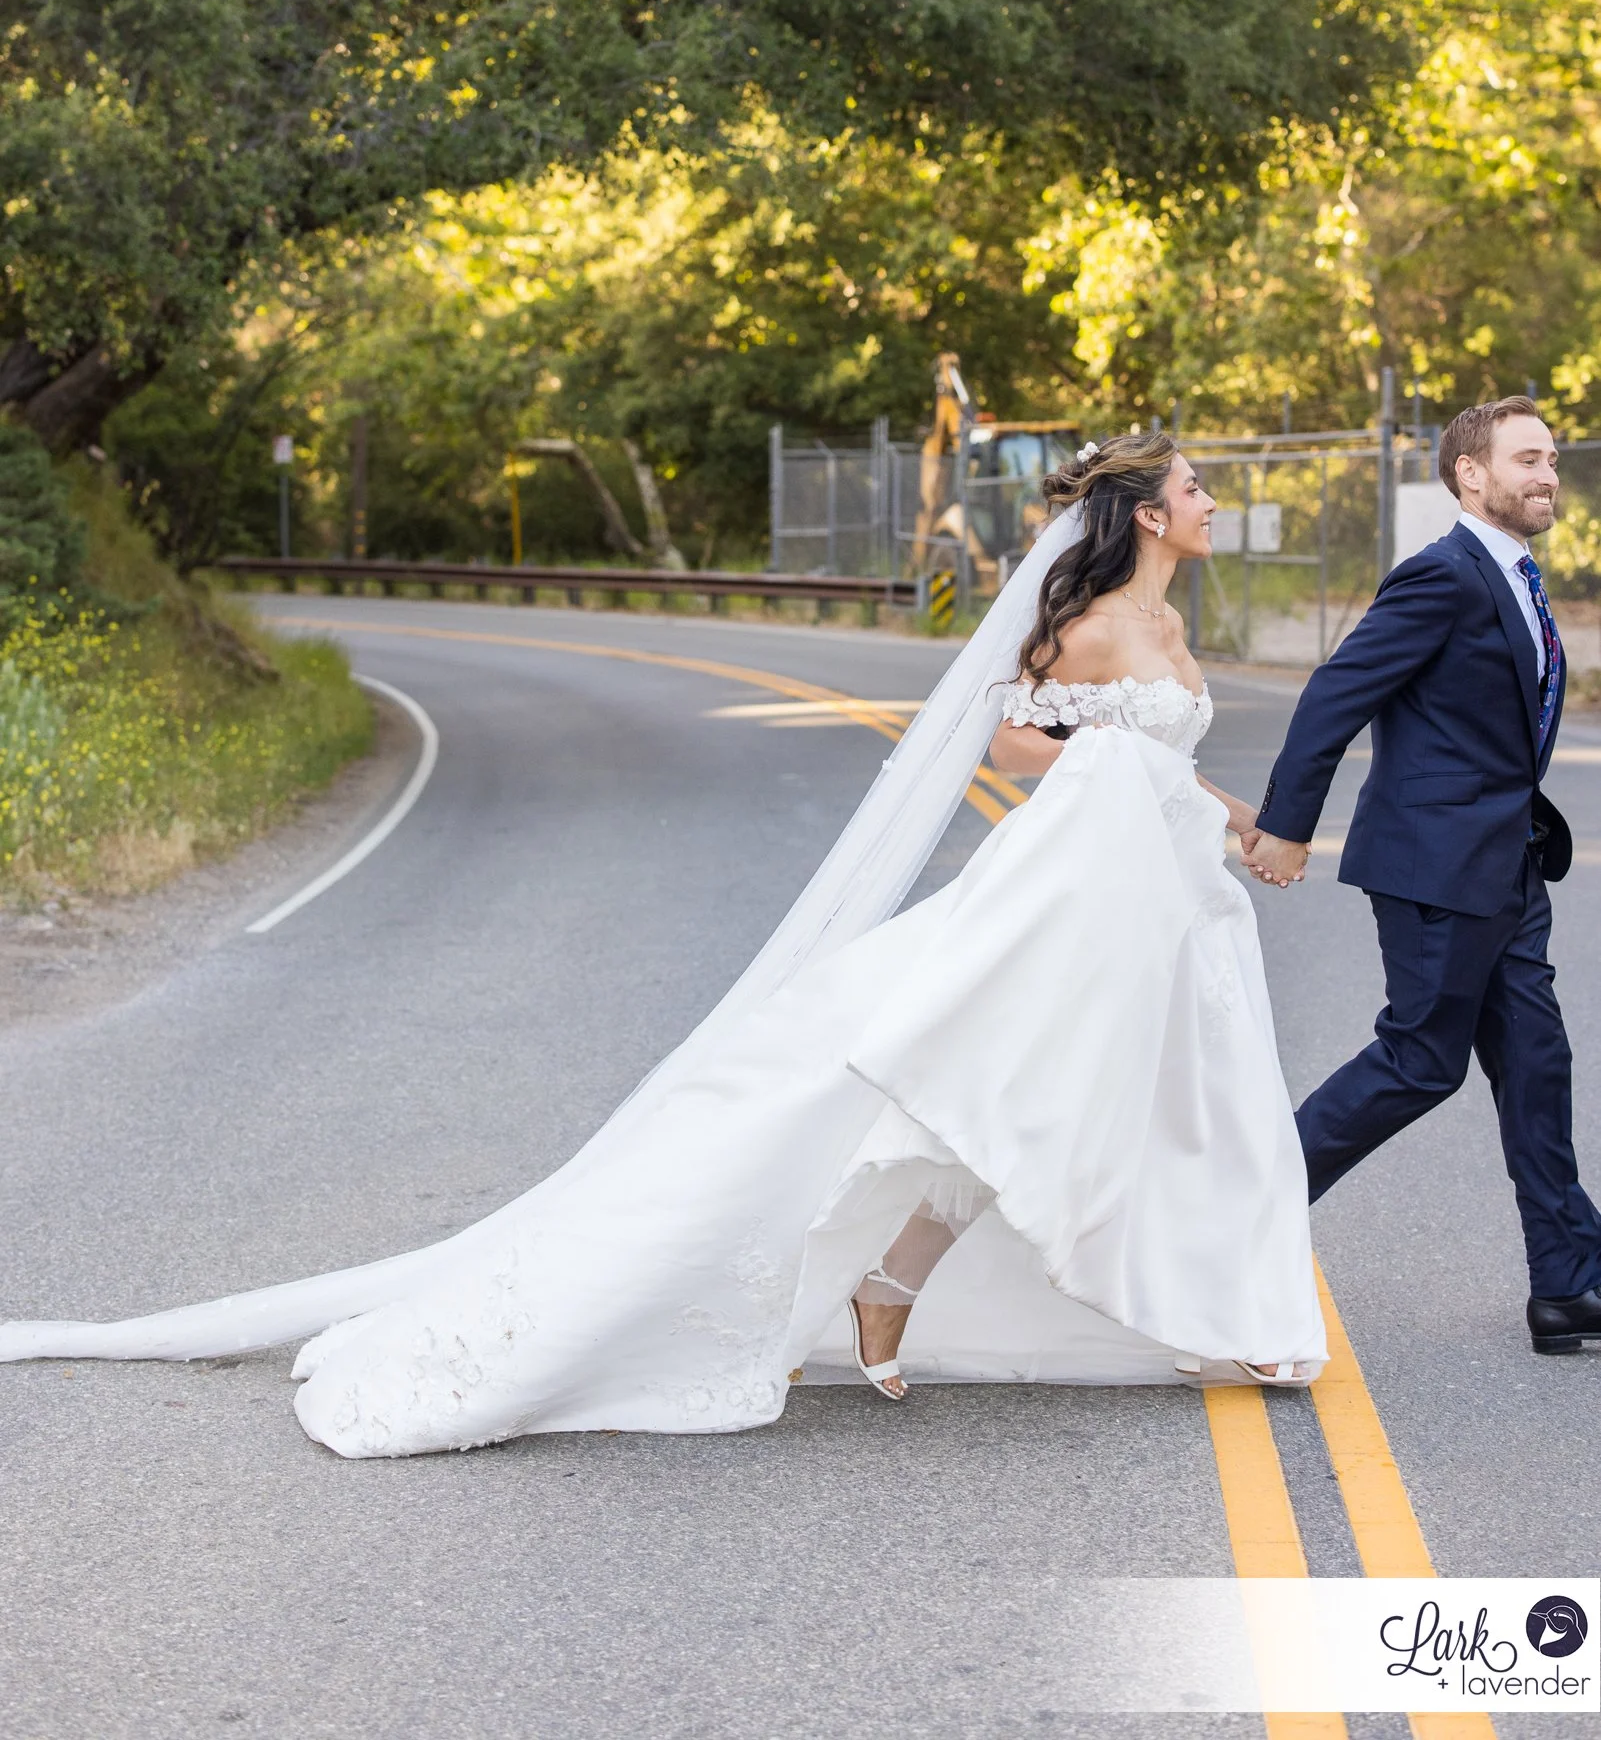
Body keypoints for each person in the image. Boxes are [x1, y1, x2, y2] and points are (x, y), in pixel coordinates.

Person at [0, 434, 1323, 1454]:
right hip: (1073, 898)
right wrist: (1116, 773)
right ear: (1148, 514)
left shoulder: (1165, 625)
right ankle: (1000, 1292)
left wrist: (1237, 820)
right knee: (1017, 1094)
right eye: (1199, 489)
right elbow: (1023, 742)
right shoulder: (1088, 622)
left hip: (1160, 896)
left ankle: (1032, 1291)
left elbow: (1149, 757)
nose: (1212, 504)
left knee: (1133, 1101)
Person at [1248, 399, 1601, 1352]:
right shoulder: (1439, 577)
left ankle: (1568, 1280)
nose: (1547, 474)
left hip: (1505, 863)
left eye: (1553, 459)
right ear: (1469, 475)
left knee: (1535, 1062)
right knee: (1420, 1061)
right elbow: (1335, 693)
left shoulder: (1518, 578)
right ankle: (1231, 1213)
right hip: (1436, 868)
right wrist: (1286, 827)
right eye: (1526, 458)